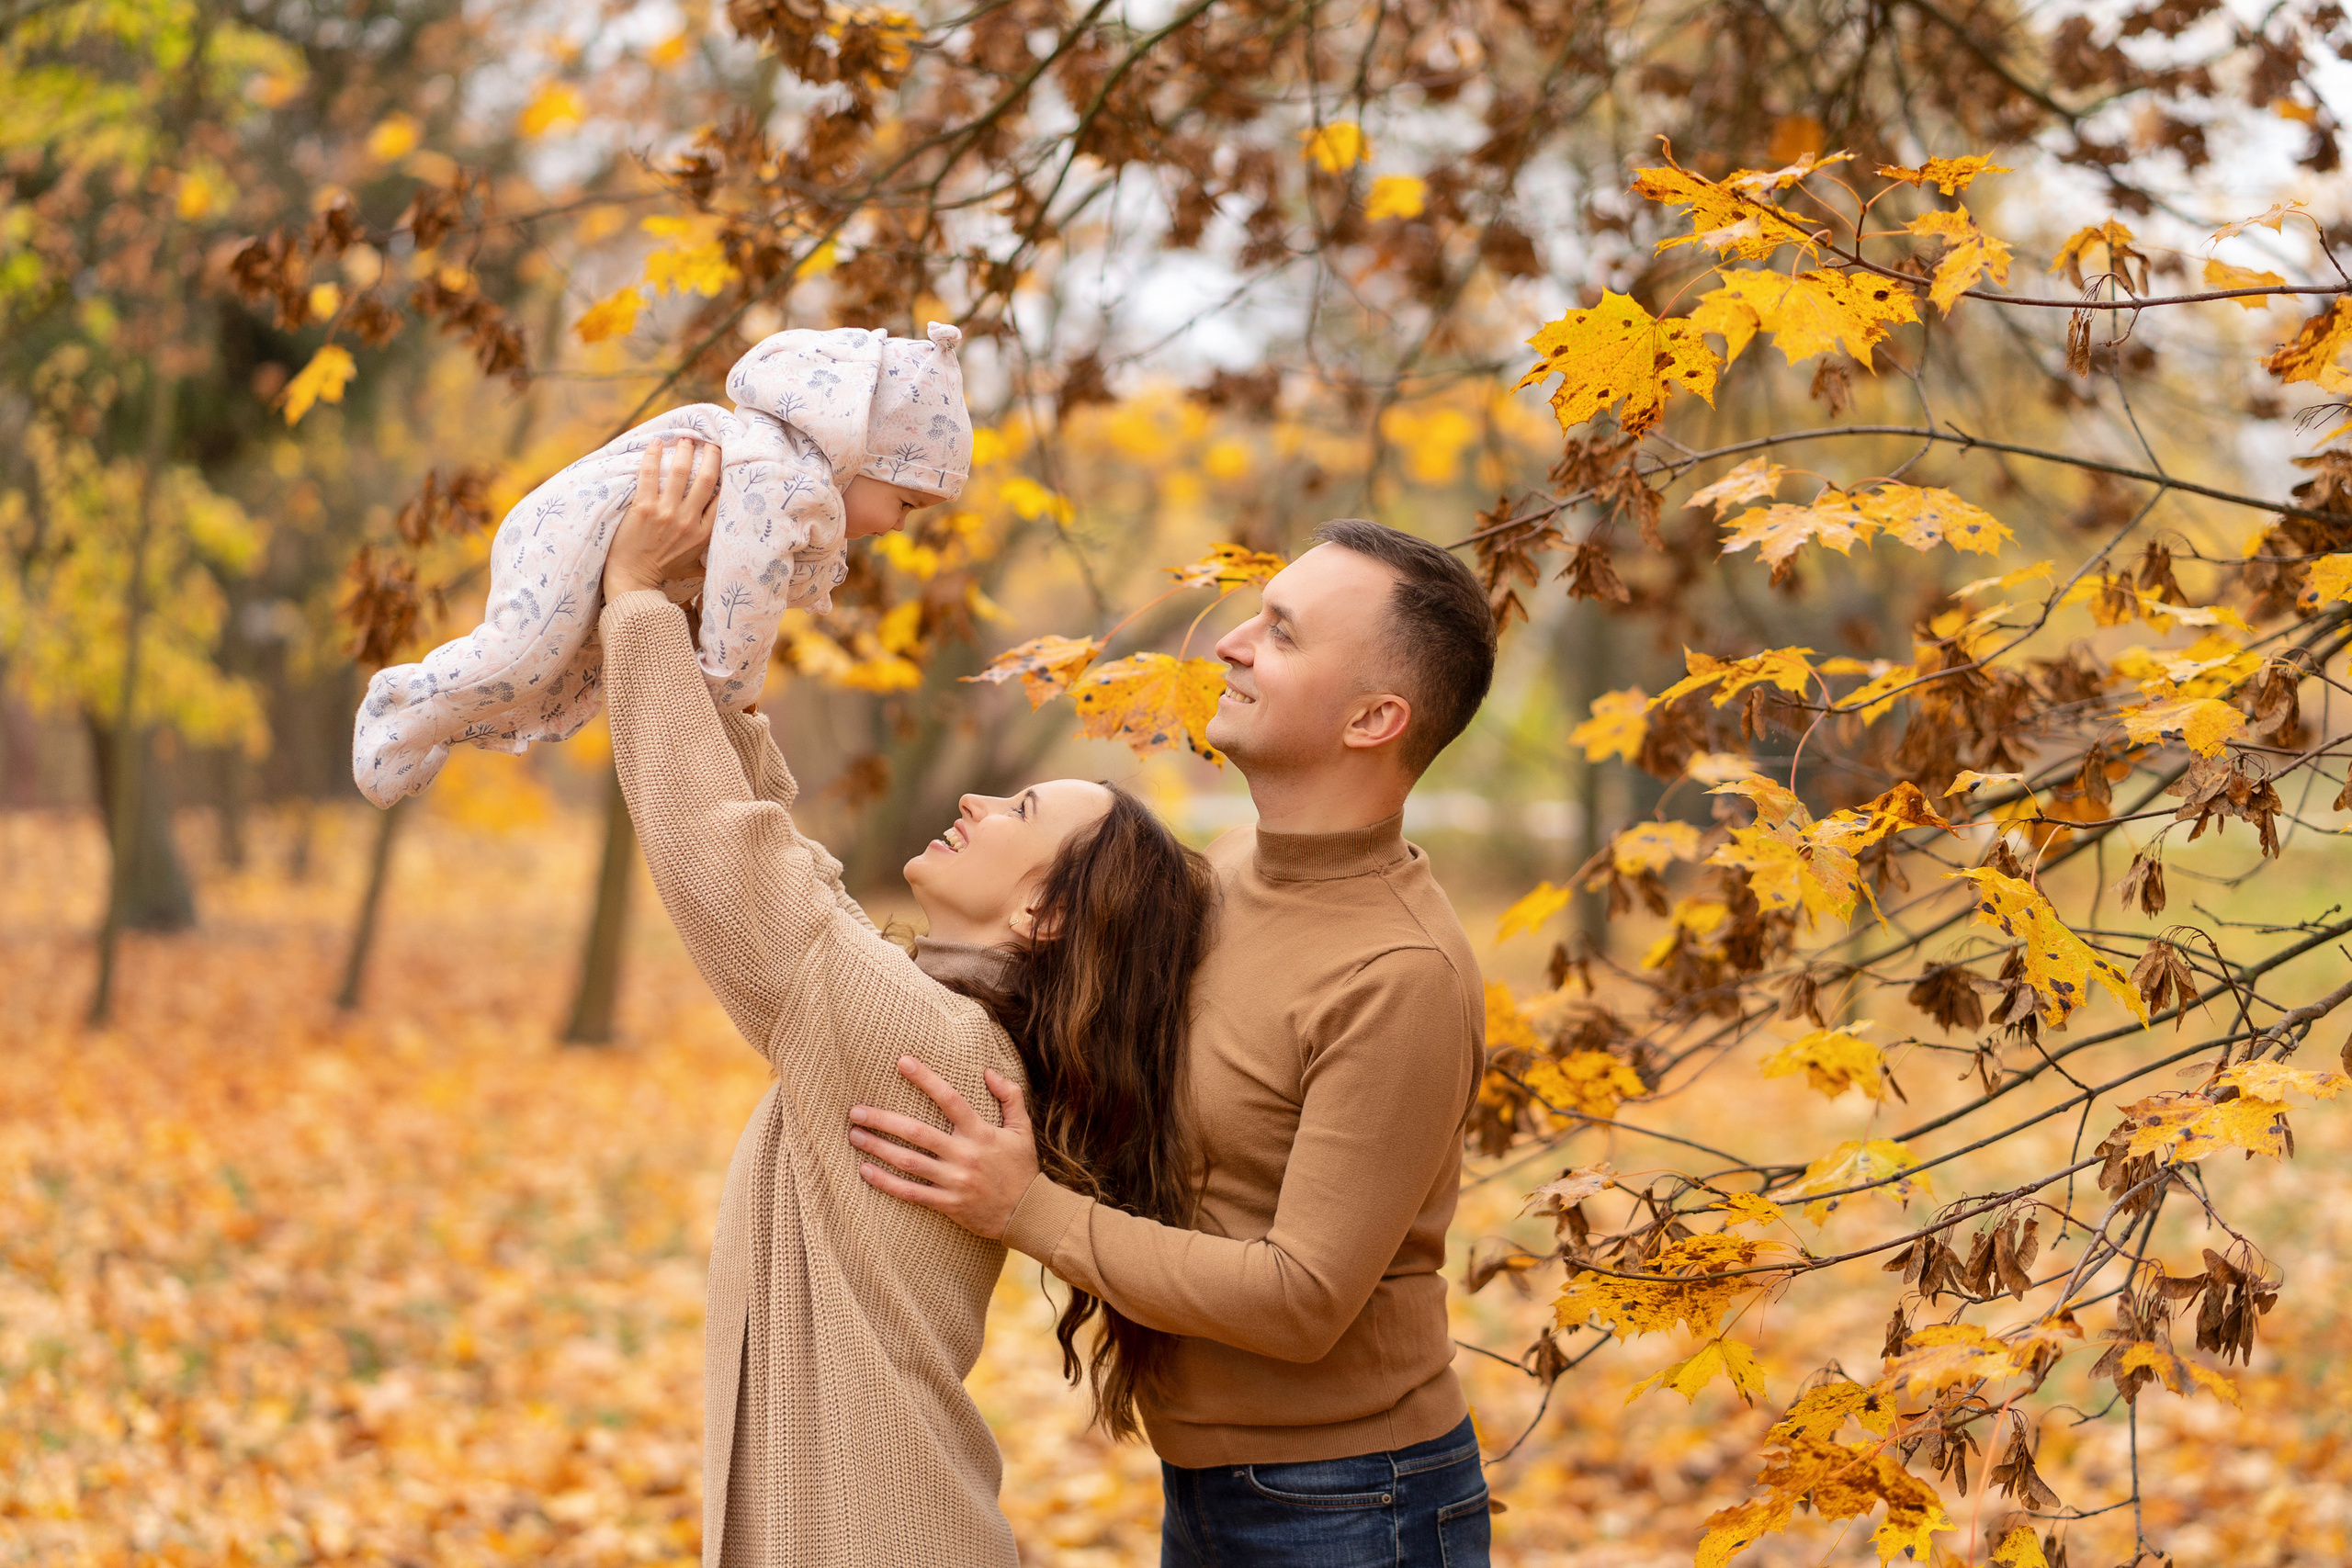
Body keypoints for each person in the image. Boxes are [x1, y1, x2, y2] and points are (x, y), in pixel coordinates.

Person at [596, 436, 1218, 1568]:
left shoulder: (922, 1039)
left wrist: (637, 606)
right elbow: (779, 857)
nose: (976, 799)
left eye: (1019, 811)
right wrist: (707, 650)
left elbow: (724, 856)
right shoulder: (938, 1022)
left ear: (1043, 917)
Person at [852, 519, 1500, 1567]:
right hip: (1214, 1483)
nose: (1230, 644)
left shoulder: (1400, 976)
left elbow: (1300, 1303)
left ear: (1375, 718)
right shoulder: (1229, 871)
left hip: (1352, 1507)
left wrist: (1026, 1208)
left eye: (1282, 635)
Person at [353, 322, 968, 807]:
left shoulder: (786, 483)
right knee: (522, 657)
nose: (896, 525)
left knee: (561, 688)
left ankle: (432, 730)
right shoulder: (776, 480)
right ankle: (402, 702)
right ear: (861, 452)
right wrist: (724, 690)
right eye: (904, 502)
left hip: (593, 552)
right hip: (573, 530)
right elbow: (741, 602)